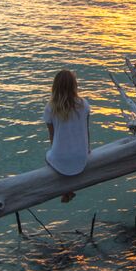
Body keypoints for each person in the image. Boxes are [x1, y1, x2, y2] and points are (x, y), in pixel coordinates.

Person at [43, 69, 91, 202]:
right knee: (62, 159)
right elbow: (86, 131)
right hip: (82, 157)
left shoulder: (50, 108)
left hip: (61, 158)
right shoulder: (84, 104)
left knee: (48, 158)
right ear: (74, 85)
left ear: (55, 86)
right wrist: (87, 149)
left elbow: (52, 138)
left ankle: (66, 190)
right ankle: (68, 190)